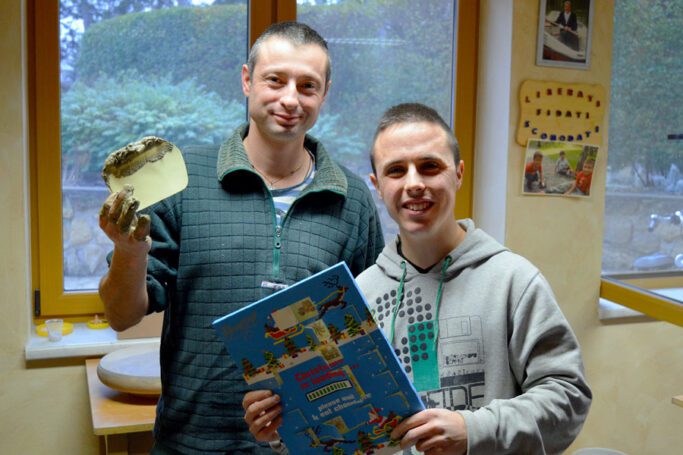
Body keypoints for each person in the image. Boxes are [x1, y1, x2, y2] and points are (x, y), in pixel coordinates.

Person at [98, 21, 384, 454]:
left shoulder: (352, 199)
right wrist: (129, 251)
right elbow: (121, 315)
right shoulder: (184, 182)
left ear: (325, 93)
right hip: (191, 444)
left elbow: (368, 338)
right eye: (275, 80)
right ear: (247, 81)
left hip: (307, 446)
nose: (291, 99)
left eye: (308, 86)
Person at [243, 103, 592, 454]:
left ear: (458, 174)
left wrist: (474, 430)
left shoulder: (514, 282)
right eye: (396, 171)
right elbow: (341, 430)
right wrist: (283, 430)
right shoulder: (355, 299)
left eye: (430, 167)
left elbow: (569, 398)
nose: (414, 184)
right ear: (378, 186)